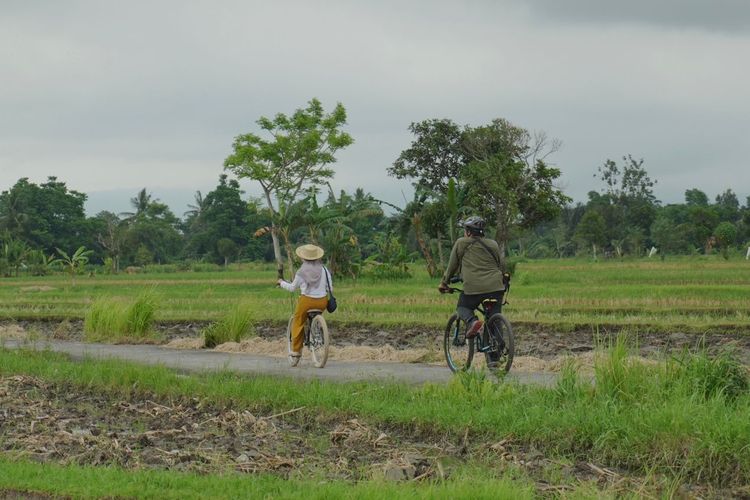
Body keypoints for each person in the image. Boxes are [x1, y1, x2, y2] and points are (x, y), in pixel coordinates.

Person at [438, 216, 505, 340]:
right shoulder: (493, 244)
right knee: (495, 317)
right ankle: (497, 352)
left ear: (468, 232)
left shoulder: (461, 243)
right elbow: (501, 266)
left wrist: (444, 283)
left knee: (462, 308)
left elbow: (452, 266)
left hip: (473, 288)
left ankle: (472, 322)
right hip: (496, 287)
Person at [277, 244, 332, 362]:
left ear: (303, 258)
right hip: (322, 302)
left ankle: (296, 351)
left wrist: (281, 282)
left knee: (297, 320)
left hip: (307, 301)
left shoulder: (301, 272)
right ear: (317, 257)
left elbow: (292, 288)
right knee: (316, 315)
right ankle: (317, 332)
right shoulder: (324, 270)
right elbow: (330, 288)